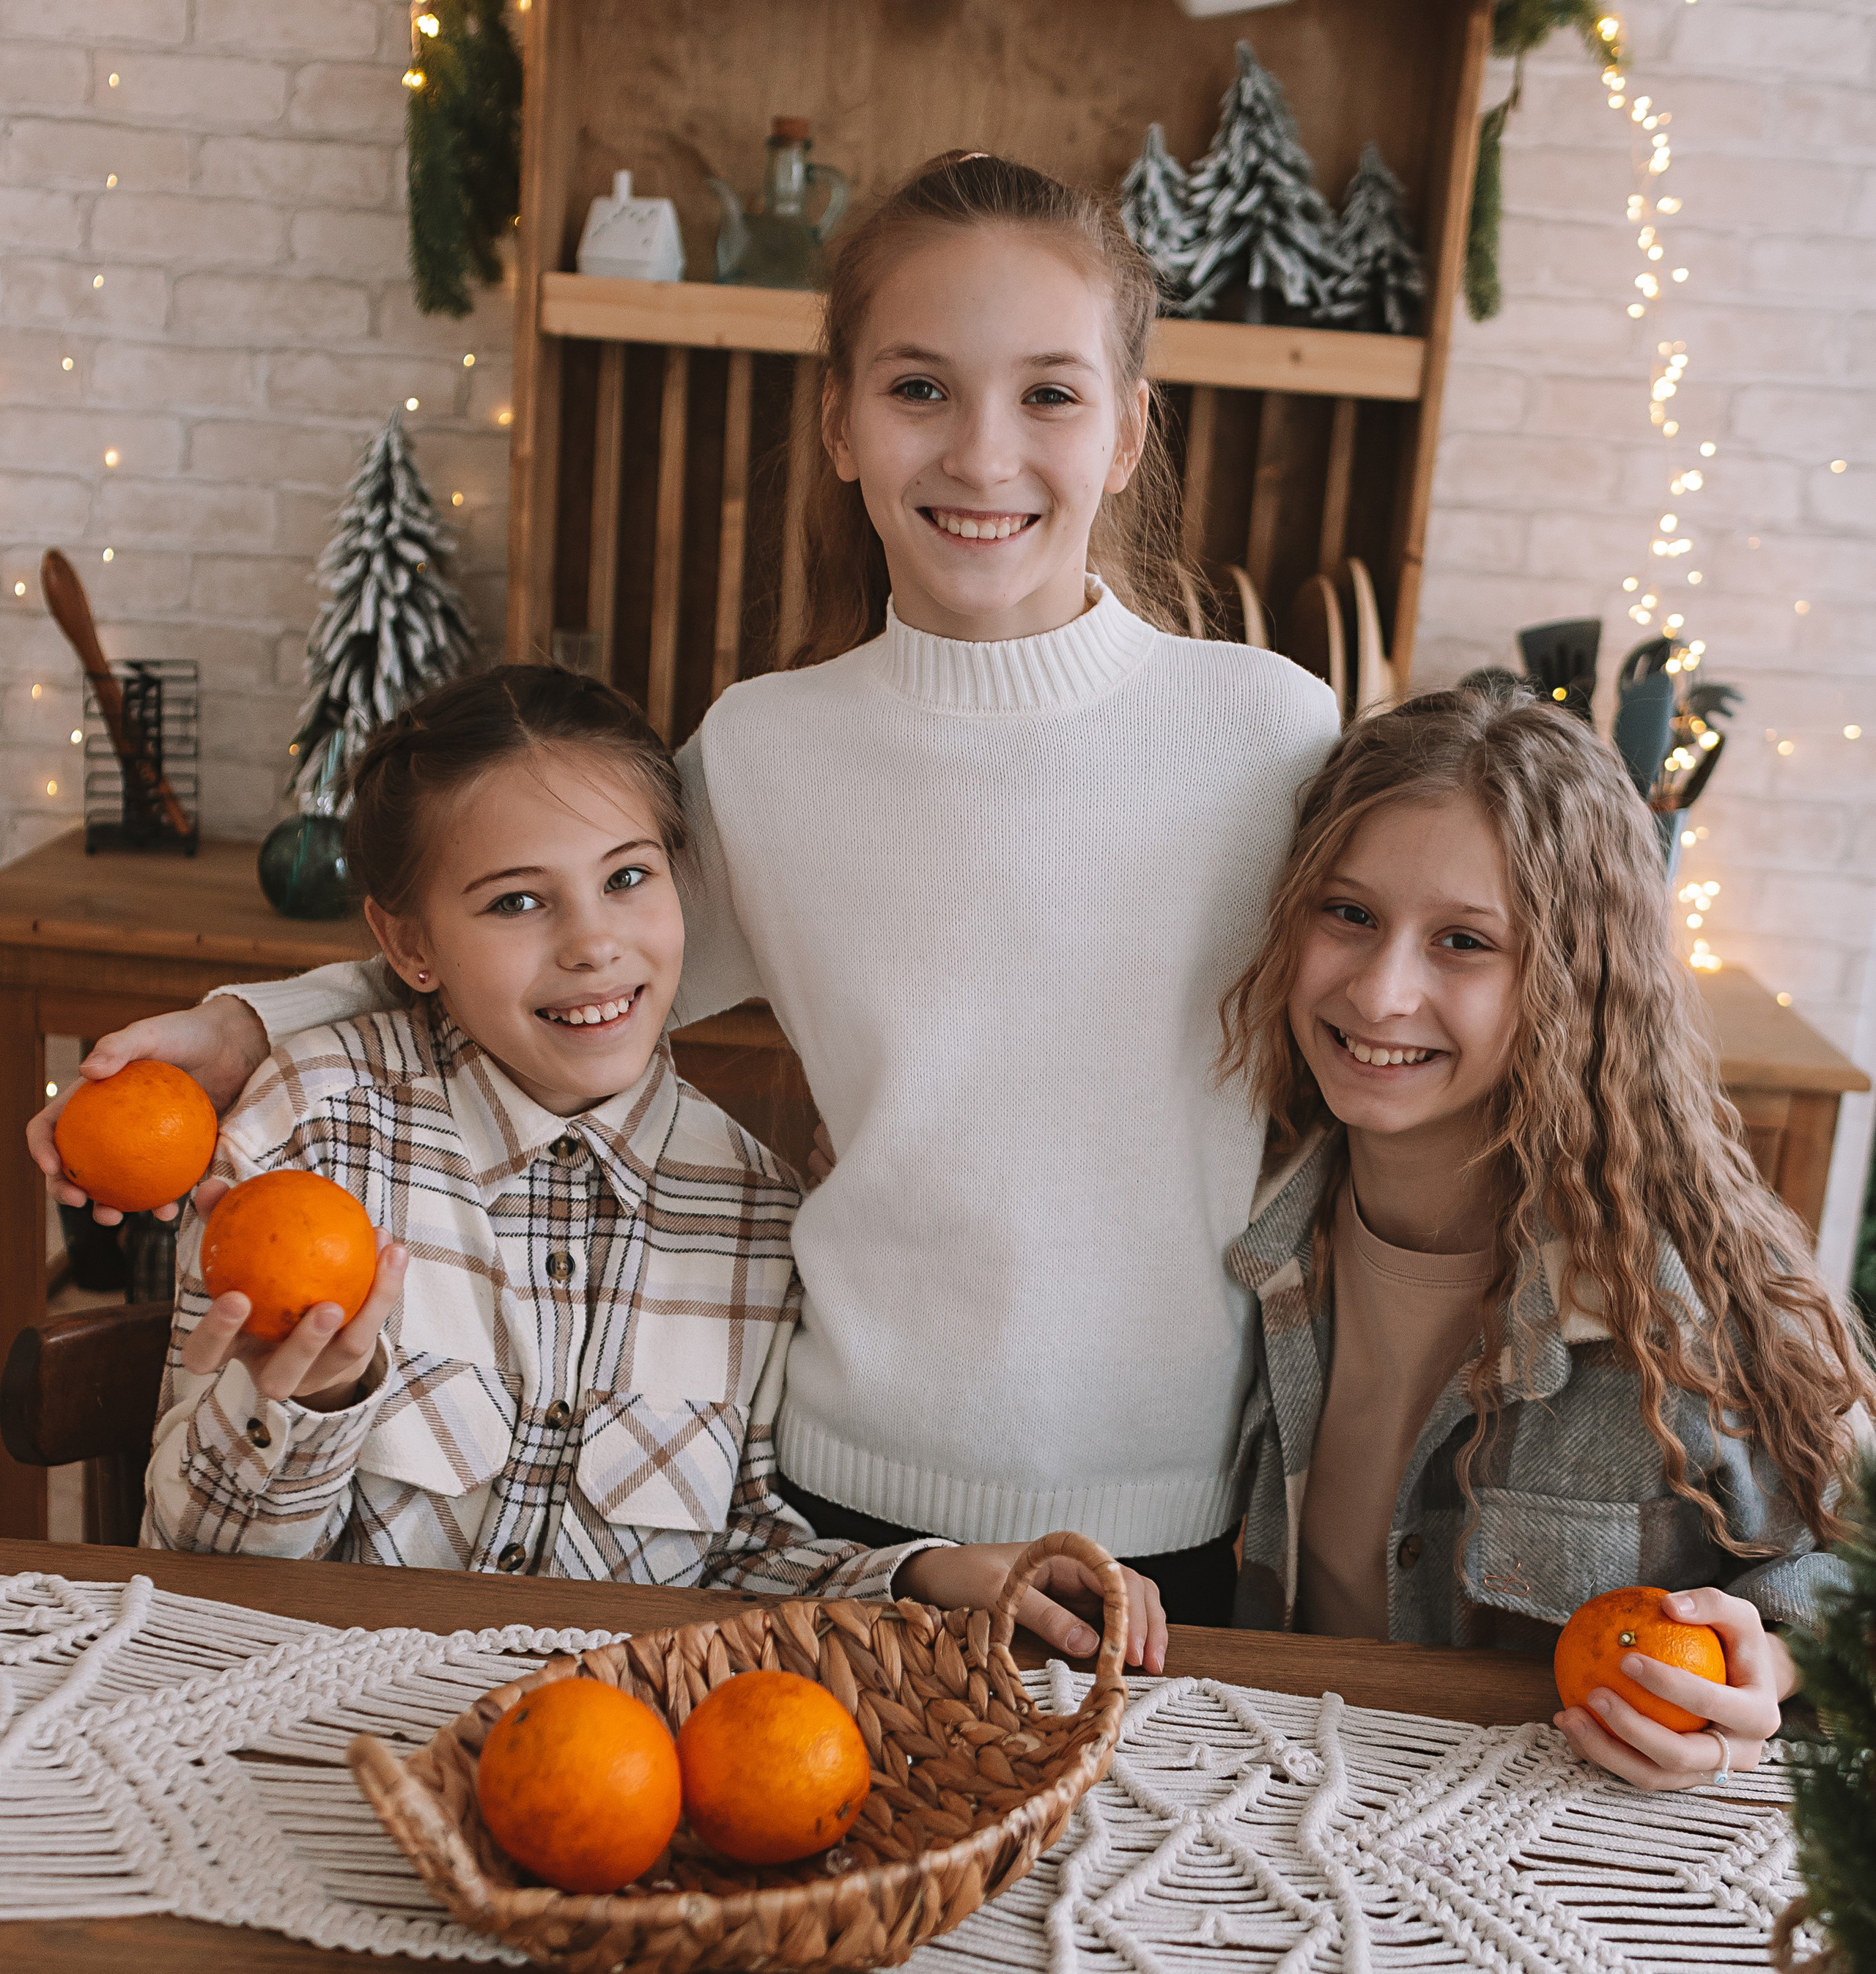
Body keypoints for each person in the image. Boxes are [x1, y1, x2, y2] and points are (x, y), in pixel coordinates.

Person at [38, 153, 1340, 1634]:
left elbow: (1390, 1028)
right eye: (919, 389)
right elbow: (557, 955)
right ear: (839, 422)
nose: (983, 455)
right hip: (830, 1502)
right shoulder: (772, 753)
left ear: (1125, 434)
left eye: (1047, 392)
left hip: (1180, 1510)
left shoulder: (1268, 735)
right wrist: (243, 1025)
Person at [146, 661, 1163, 1663]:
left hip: (608, 1774)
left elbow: (740, 1562)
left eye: (627, 878)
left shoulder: (756, 1209)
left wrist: (926, 1577)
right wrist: (313, 1406)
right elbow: (191, 1564)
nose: (593, 943)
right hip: (318, 1726)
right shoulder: (307, 1136)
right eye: (516, 903)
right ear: (410, 944)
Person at [1217, 682, 1868, 1789]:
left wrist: (1776, 1659)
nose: (1382, 991)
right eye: (1350, 914)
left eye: (1464, 942)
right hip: (1259, 1798)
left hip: (1545, 1851)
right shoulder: (1234, 1214)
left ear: (1572, 983)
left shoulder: (1690, 1291)